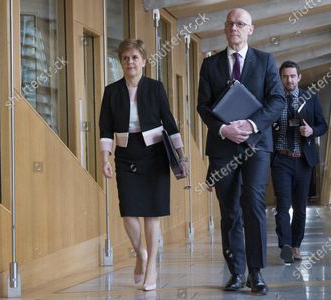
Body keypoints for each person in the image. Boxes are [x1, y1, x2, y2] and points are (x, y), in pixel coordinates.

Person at [197, 8, 285, 295]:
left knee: (254, 202)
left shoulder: (265, 61)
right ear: (225, 29)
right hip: (223, 147)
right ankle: (236, 272)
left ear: (251, 29)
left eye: (240, 24)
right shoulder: (210, 65)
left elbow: (277, 100)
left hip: (256, 145)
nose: (234, 28)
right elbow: (203, 107)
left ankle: (256, 273)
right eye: (230, 23)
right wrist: (224, 130)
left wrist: (249, 124)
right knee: (230, 210)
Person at [99, 38, 186, 291]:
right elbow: (105, 128)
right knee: (128, 210)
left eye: (135, 57)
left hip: (155, 152)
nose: (130, 62)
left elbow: (169, 122)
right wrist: (105, 157)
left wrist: (181, 155)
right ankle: (141, 253)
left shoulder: (156, 88)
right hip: (126, 153)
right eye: (125, 58)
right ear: (121, 62)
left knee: (152, 212)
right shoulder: (111, 91)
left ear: (144, 61)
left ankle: (152, 268)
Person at [272, 61, 327, 263]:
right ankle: (285, 245)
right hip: (281, 160)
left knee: (300, 207)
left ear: (299, 77)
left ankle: (296, 246)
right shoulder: (275, 98)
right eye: (285, 76)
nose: (289, 80)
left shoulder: (310, 98)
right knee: (282, 205)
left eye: (293, 76)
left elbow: (323, 124)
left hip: (303, 161)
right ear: (281, 78)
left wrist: (312, 131)